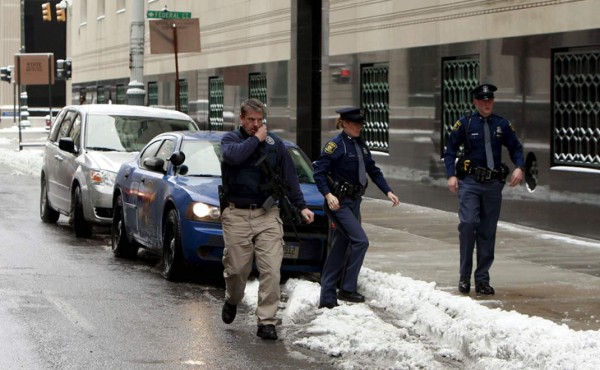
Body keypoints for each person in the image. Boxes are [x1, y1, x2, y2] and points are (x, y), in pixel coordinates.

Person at [219, 98, 315, 340]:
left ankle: (267, 321)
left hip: (267, 214)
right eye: (250, 120)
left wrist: (301, 206)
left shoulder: (276, 144)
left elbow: (290, 177)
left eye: (259, 120)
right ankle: (232, 299)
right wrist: (256, 140)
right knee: (237, 270)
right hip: (237, 214)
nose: (255, 124)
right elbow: (235, 158)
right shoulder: (231, 140)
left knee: (271, 269)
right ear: (241, 119)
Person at [313, 107, 399, 309]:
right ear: (344, 123)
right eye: (355, 124)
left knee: (340, 247)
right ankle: (347, 288)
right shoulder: (336, 146)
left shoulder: (360, 145)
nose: (359, 127)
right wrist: (328, 194)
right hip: (339, 202)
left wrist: (388, 191)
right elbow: (318, 171)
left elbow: (373, 170)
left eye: (361, 124)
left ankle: (327, 297)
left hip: (354, 201)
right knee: (360, 241)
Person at [443, 83, 525, 295]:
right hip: (470, 183)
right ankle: (464, 276)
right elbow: (450, 150)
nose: (486, 103)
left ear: (493, 101)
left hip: (493, 185)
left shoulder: (502, 124)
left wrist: (519, 167)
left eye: (489, 100)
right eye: (482, 100)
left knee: (488, 232)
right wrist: (451, 174)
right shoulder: (465, 124)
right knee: (468, 224)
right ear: (475, 102)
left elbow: (515, 147)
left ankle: (482, 279)